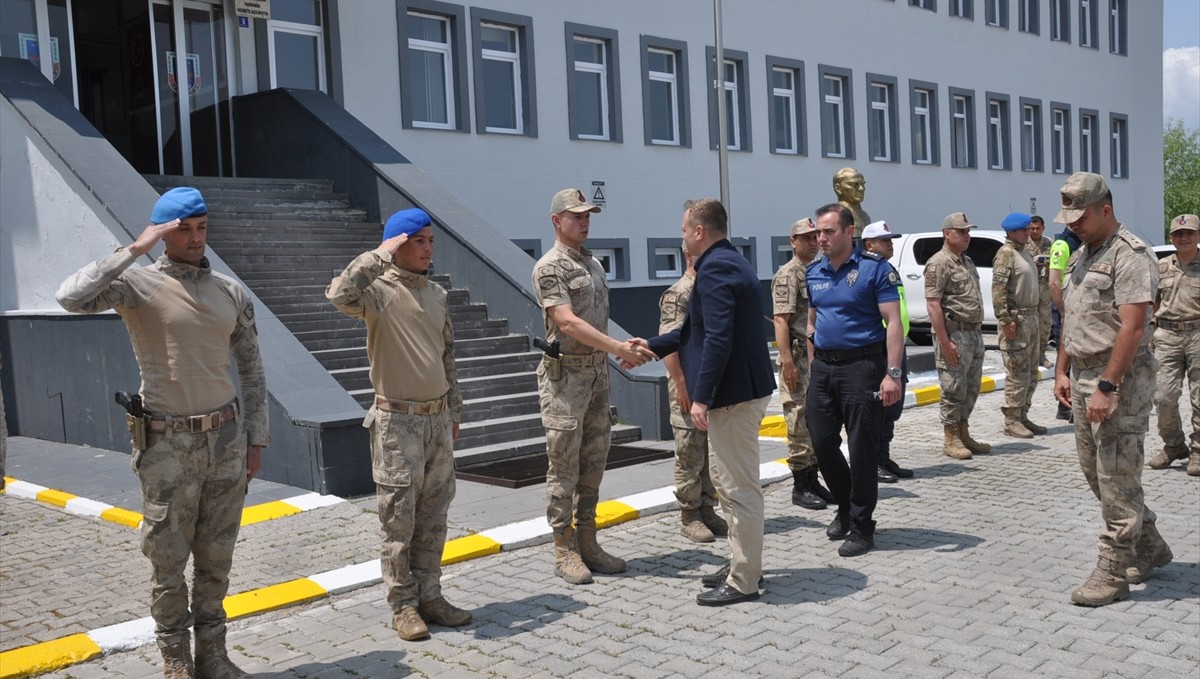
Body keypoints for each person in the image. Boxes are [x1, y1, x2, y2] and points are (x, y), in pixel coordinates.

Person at [56, 187, 268, 678]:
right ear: (163, 234)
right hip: (167, 445)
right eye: (182, 230)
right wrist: (135, 247)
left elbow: (253, 371)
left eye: (200, 228)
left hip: (225, 442)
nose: (195, 239)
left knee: (217, 556)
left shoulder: (229, 291)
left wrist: (257, 438)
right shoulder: (136, 285)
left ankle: (213, 655)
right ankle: (176, 660)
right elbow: (70, 297)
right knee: (168, 562)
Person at [326, 208, 470, 642]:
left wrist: (454, 414)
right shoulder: (377, 291)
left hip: (436, 420)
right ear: (398, 244)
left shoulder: (437, 294)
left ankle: (431, 595)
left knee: (433, 516)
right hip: (397, 423)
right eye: (419, 240)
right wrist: (379, 253)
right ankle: (403, 605)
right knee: (397, 522)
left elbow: (448, 358)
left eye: (431, 241)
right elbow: (337, 294)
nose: (428, 248)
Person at [639, 198, 775, 606]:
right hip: (741, 391)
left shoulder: (715, 269)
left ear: (700, 231)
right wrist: (649, 345)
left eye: (684, 229)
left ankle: (744, 581)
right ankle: (741, 562)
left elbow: (717, 339)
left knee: (738, 490)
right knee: (732, 485)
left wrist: (702, 397)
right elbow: (694, 331)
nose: (681, 236)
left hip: (732, 397)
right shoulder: (729, 260)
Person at [1052, 171, 1172, 606]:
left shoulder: (1131, 254)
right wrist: (1062, 369)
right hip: (1083, 375)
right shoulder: (1085, 254)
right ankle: (1150, 544)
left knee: (1117, 477)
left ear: (1106, 209)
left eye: (1079, 216)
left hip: (1118, 379)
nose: (1071, 225)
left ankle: (1113, 569)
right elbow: (1074, 316)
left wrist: (1107, 384)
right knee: (1096, 474)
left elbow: (1134, 325)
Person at [532, 189, 653, 585]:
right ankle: (563, 547)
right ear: (556, 221)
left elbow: (596, 321)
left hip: (597, 374)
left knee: (594, 460)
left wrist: (620, 347)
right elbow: (566, 322)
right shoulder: (550, 267)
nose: (585, 221)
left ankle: (588, 540)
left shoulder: (594, 264)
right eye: (576, 215)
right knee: (563, 464)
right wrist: (616, 347)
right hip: (566, 379)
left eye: (588, 215)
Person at [805, 204, 904, 558]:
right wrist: (813, 360)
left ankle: (862, 524)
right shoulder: (813, 271)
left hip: (862, 366)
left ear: (850, 233)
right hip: (824, 370)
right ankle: (846, 507)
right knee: (821, 441)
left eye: (829, 231)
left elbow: (893, 322)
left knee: (862, 448)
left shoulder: (874, 270)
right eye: (819, 232)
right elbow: (813, 320)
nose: (822, 238)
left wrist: (892, 374)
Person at [659, 245, 729, 541]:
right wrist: (682, 385)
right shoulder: (679, 293)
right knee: (690, 452)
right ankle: (689, 515)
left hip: (708, 388)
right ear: (689, 255)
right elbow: (668, 344)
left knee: (710, 451)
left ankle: (707, 507)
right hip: (687, 386)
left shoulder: (706, 288)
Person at [772, 217, 834, 509]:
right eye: (806, 237)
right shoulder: (789, 274)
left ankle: (813, 479)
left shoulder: (820, 271)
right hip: (797, 357)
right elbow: (781, 321)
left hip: (819, 356)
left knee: (817, 421)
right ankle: (800, 486)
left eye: (815, 236)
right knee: (798, 419)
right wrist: (787, 363)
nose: (813, 241)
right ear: (793, 241)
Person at [925, 212, 992, 460]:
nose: (967, 236)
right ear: (947, 234)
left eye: (968, 231)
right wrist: (945, 342)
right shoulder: (939, 263)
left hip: (973, 333)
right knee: (953, 387)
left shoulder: (966, 261)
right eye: (962, 231)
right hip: (953, 333)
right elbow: (933, 304)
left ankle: (963, 432)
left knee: (971, 387)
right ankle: (950, 436)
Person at [859, 221, 914, 482]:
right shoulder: (867, 269)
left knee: (892, 406)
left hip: (895, 344)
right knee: (879, 406)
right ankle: (872, 462)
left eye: (891, 239)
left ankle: (883, 456)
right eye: (885, 240)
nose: (890, 243)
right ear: (869, 244)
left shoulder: (887, 268)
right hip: (880, 345)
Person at [1147, 214, 1200, 476]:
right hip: (1167, 337)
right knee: (1163, 397)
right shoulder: (1161, 267)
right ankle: (1174, 445)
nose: (1184, 237)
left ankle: (1198, 450)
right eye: (1179, 234)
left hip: (1198, 335)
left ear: (1198, 235)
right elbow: (1152, 302)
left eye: (1189, 232)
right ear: (1171, 238)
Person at [992, 212, 1046, 439]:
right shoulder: (1006, 254)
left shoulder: (1023, 252)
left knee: (1031, 372)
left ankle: (1023, 415)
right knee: (1017, 372)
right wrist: (1005, 320)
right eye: (1024, 230)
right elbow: (998, 290)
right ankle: (1011, 420)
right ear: (1012, 232)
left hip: (1031, 318)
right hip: (1017, 320)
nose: (1028, 233)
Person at [1048, 226, 1083, 422]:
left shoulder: (1081, 243)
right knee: (1066, 353)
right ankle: (1064, 405)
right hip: (1064, 306)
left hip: (1077, 307)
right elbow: (1054, 282)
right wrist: (1063, 311)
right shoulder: (1062, 244)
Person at [1026, 215, 1054, 368]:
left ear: (1043, 228)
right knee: (1029, 324)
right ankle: (1029, 356)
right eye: (1031, 228)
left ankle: (1041, 355)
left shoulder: (1049, 243)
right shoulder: (1023, 243)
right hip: (1029, 288)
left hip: (1044, 289)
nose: (1034, 231)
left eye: (1037, 228)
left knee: (1044, 324)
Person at [832, 167, 872, 241]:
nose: (861, 188)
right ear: (838, 188)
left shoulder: (865, 216)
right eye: (855, 185)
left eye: (863, 184)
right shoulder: (836, 216)